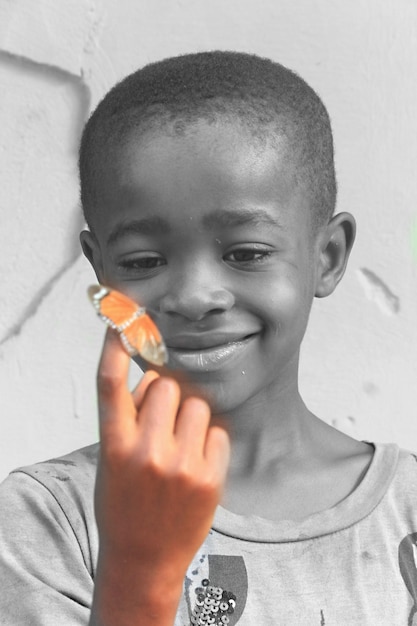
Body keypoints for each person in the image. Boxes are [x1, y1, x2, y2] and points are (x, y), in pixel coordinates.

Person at [0, 50, 416, 626]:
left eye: (246, 253)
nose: (195, 296)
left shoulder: (407, 513)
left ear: (328, 256)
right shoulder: (49, 517)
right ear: (101, 273)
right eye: (144, 261)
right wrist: (139, 570)